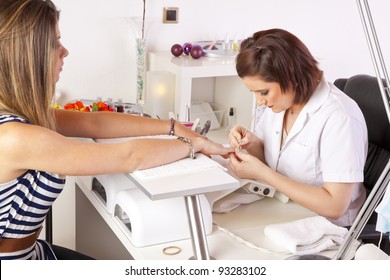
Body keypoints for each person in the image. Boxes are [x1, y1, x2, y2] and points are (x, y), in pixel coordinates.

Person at [0, 0, 233, 260]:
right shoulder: (14, 138)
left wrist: (173, 127)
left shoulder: (21, 116)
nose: (65, 51)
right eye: (55, 43)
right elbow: (129, 157)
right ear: (27, 57)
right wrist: (194, 145)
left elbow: (94, 123)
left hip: (32, 253)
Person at [228, 28, 368, 227]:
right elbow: (275, 162)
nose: (259, 101)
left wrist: (261, 173)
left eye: (264, 92)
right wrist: (253, 145)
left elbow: (335, 206)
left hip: (326, 227)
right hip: (283, 208)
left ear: (291, 76)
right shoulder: (282, 102)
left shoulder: (339, 117)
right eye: (254, 93)